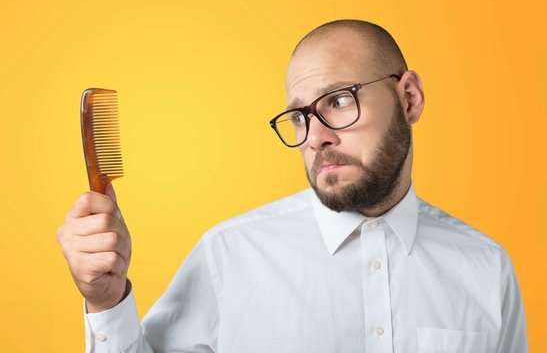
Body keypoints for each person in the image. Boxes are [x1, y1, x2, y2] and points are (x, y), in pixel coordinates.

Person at [56, 19, 528, 353]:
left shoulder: (487, 269)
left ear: (409, 97)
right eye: (300, 116)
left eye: (340, 100)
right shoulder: (230, 256)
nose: (316, 135)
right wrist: (106, 302)